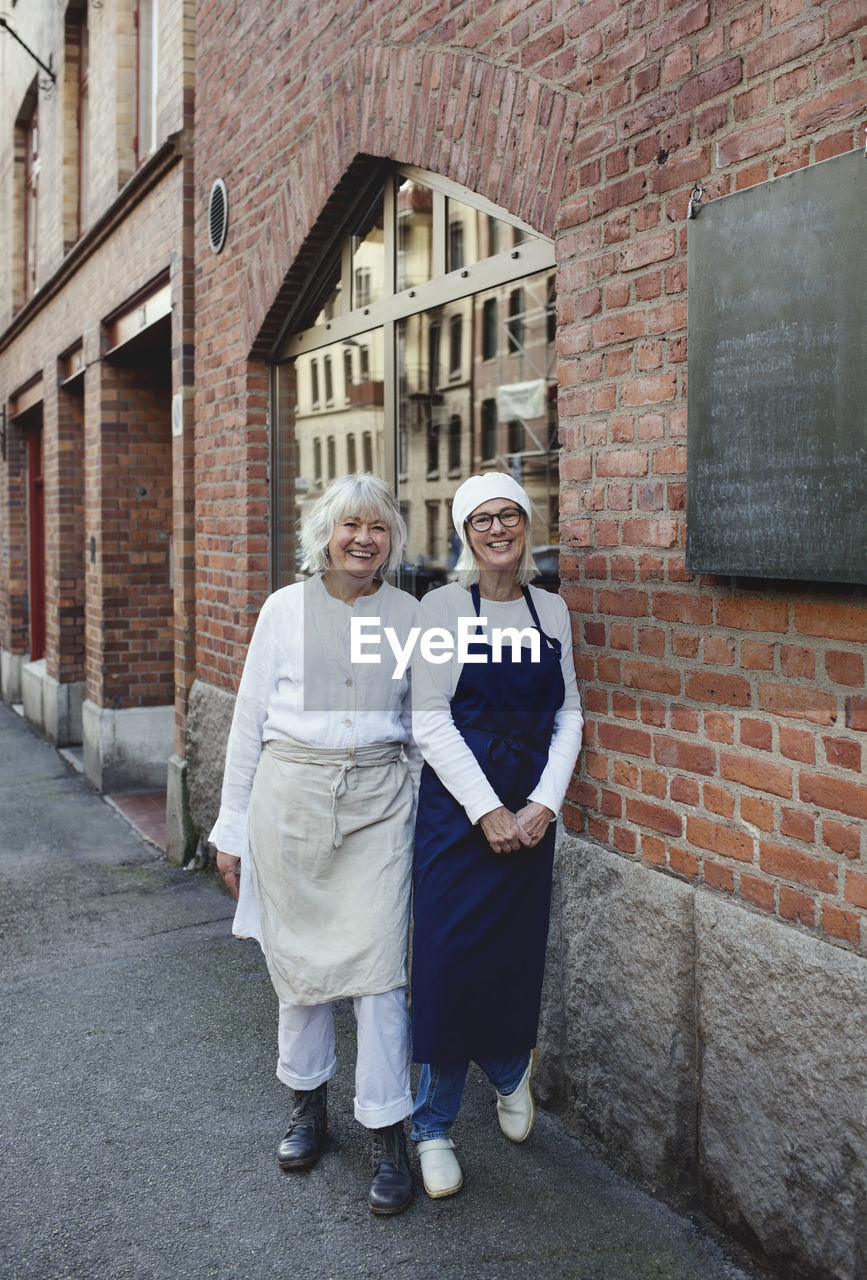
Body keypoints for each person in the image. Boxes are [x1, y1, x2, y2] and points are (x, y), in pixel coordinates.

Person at [210, 474, 420, 1216]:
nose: (364, 539)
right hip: (289, 799)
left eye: (379, 528)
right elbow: (247, 722)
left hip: (377, 805)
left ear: (393, 541)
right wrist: (230, 833)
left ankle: (386, 1130)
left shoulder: (408, 615)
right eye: (350, 526)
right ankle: (307, 1108)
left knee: (380, 974)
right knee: (295, 968)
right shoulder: (282, 610)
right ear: (325, 535)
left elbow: (423, 728)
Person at [409, 473, 583, 1199]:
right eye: (480, 519)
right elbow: (428, 719)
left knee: (512, 957)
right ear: (463, 534)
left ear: (526, 522)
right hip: (458, 815)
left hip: (530, 811)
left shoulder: (552, 609)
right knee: (448, 962)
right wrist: (487, 810)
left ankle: (512, 1074)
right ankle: (433, 1126)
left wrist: (543, 802)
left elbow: (569, 713)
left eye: (508, 514)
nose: (497, 528)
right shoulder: (443, 607)